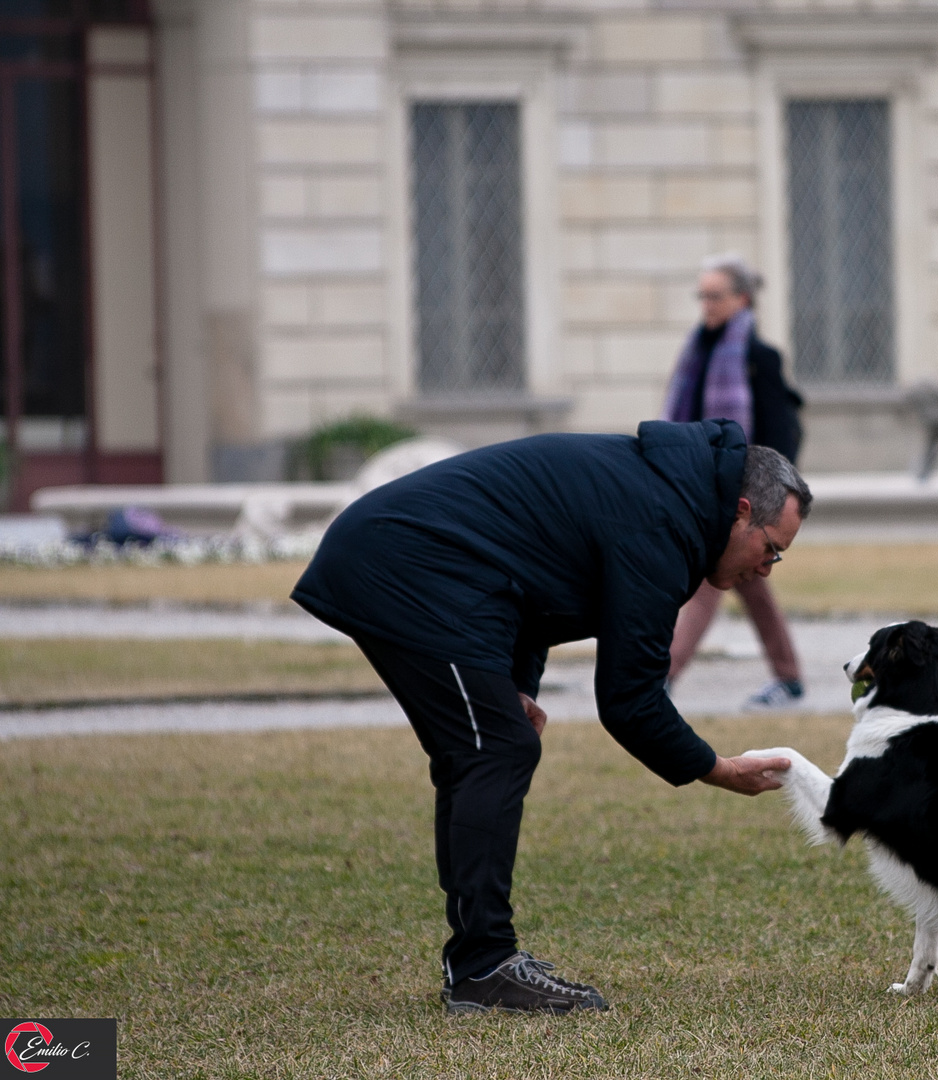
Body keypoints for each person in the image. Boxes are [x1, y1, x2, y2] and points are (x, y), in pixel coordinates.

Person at [291, 420, 810, 1015]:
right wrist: (717, 769)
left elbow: (535, 584)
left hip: (427, 567)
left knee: (490, 747)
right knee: (495, 749)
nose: (767, 569)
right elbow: (629, 700)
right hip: (407, 563)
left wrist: (516, 686)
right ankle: (484, 967)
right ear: (742, 511)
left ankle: (479, 961)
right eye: (771, 548)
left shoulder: (673, 501)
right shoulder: (662, 521)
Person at [661, 253, 806, 709]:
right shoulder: (697, 353)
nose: (706, 304)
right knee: (750, 583)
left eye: (715, 295)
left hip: (744, 497)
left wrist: (766, 499)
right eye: (701, 295)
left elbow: (781, 436)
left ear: (742, 299)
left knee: (708, 580)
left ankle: (661, 677)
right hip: (702, 487)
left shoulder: (759, 358)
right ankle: (790, 679)